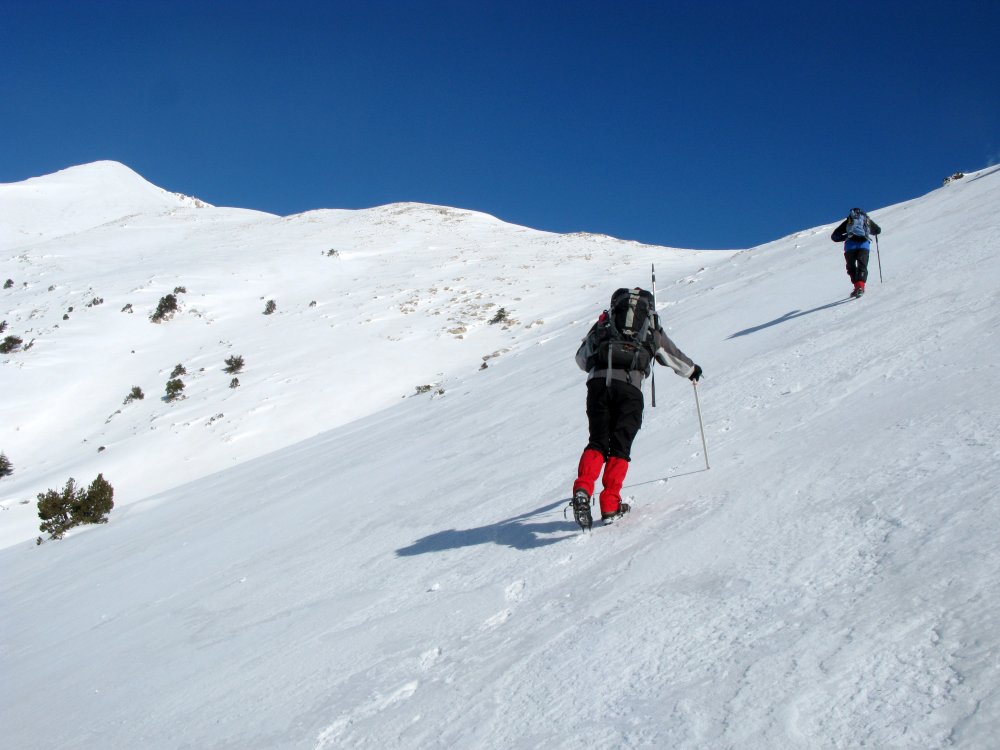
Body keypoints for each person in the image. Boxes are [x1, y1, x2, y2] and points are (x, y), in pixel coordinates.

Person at [571, 288, 702, 529]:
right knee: (620, 447)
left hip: (598, 385)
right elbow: (672, 356)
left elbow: (581, 358)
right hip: (630, 389)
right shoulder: (650, 329)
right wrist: (693, 371)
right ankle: (610, 505)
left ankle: (582, 488)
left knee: (598, 441)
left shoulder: (604, 324)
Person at [831, 208, 882, 298]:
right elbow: (878, 230)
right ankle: (860, 287)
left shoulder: (848, 221)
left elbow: (834, 236)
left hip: (850, 247)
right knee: (862, 265)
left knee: (851, 267)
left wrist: (846, 237)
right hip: (864, 245)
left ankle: (857, 287)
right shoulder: (867, 220)